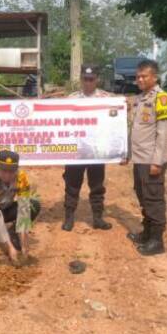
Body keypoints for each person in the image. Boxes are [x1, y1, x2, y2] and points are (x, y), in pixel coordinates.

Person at [124, 59, 167, 256]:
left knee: (153, 199)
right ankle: (147, 232)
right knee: (143, 196)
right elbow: (133, 129)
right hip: (139, 158)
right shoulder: (140, 99)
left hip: (151, 160)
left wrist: (157, 161)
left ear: (155, 77)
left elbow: (163, 133)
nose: (140, 80)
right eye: (138, 77)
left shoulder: (161, 99)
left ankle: (157, 240)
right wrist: (127, 154)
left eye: (144, 76)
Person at [61, 64, 114, 232]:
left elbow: (116, 117)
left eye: (91, 79)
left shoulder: (106, 98)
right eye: (85, 79)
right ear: (81, 79)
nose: (88, 82)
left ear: (97, 79)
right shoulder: (72, 99)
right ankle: (69, 217)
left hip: (97, 151)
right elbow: (60, 119)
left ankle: (98, 218)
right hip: (76, 150)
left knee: (97, 185)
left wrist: (122, 106)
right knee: (72, 184)